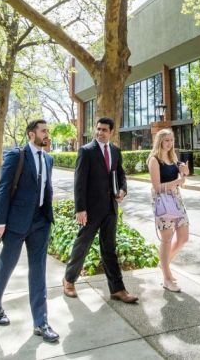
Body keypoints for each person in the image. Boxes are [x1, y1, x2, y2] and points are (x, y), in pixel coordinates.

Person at [0, 119, 59, 343]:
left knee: (38, 271)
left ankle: (41, 322)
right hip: (16, 223)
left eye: (47, 131)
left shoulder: (48, 158)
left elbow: (46, 189)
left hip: (40, 223)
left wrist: (47, 217)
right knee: (6, 265)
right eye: (43, 131)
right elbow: (3, 189)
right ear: (31, 134)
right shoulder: (16, 156)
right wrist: (0, 221)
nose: (47, 134)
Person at [61, 117, 139, 304]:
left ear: (111, 131)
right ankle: (69, 280)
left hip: (110, 208)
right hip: (91, 210)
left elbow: (121, 175)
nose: (100, 132)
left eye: (104, 129)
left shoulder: (115, 151)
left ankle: (118, 289)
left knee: (109, 249)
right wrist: (80, 209)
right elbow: (79, 182)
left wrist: (123, 190)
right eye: (98, 129)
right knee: (82, 246)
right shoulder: (86, 151)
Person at [146, 128, 190, 292]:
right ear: (159, 141)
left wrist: (184, 173)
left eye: (171, 140)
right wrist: (177, 182)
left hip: (176, 200)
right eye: (166, 141)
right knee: (166, 239)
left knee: (183, 237)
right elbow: (157, 187)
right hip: (163, 201)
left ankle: (164, 265)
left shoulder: (173, 157)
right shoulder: (154, 160)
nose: (170, 144)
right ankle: (166, 277)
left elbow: (181, 180)